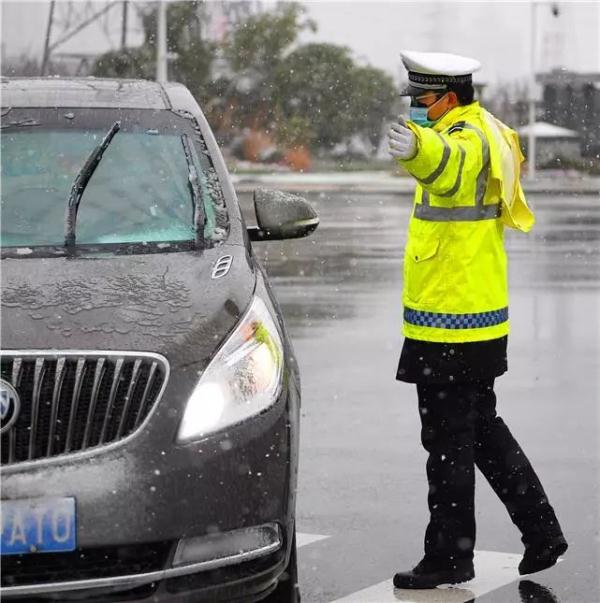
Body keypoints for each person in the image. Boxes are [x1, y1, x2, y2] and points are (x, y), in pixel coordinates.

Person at [387, 50, 567, 589]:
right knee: (479, 430)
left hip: (451, 317)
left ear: (446, 96)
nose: (417, 110)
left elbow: (451, 167)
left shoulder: (467, 135)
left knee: (447, 442)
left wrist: (420, 147)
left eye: (422, 102)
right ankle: (541, 530)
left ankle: (449, 555)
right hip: (474, 315)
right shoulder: (492, 127)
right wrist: (426, 143)